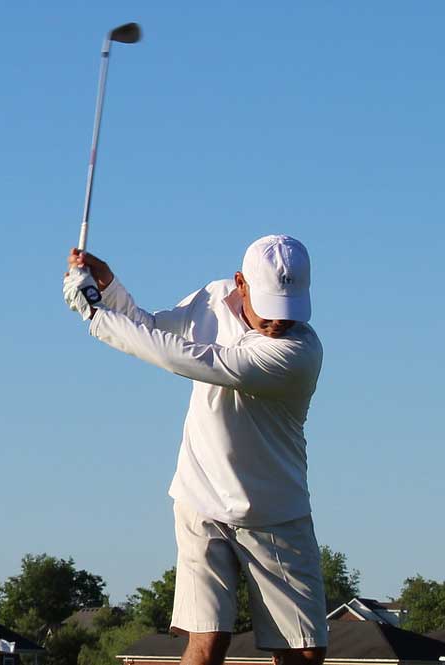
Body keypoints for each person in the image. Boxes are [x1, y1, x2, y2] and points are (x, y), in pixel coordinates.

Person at [63, 236, 327, 665]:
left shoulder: (298, 354)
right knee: (207, 642)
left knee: (304, 652)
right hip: (201, 497)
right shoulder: (211, 300)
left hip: (276, 511)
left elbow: (190, 359)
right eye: (271, 306)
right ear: (240, 283)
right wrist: (109, 291)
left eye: (289, 308)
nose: (281, 319)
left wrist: (95, 314)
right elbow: (152, 330)